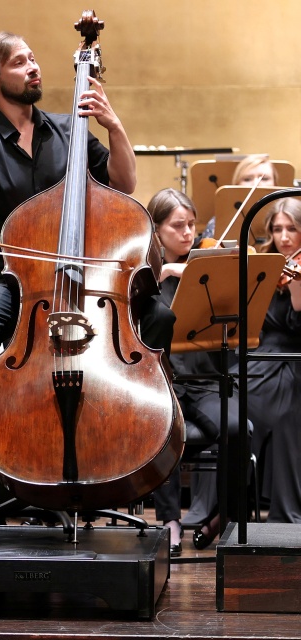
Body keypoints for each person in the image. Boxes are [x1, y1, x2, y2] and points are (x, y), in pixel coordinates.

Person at [0, 31, 173, 436]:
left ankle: (131, 420)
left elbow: (123, 183)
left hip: (83, 274)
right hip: (10, 279)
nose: (33, 67)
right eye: (18, 62)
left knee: (159, 316)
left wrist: (113, 125)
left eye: (32, 58)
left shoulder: (70, 131)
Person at [146, 188, 249, 555]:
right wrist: (164, 272)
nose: (188, 232)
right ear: (156, 230)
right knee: (164, 430)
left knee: (240, 429)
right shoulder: (144, 277)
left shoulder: (205, 272)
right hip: (163, 383)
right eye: (178, 226)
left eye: (191, 223)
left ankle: (220, 518)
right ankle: (170, 522)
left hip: (205, 382)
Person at [239, 197, 301, 523]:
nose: (284, 237)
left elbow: (297, 318)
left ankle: (274, 508)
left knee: (285, 408)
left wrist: (297, 284)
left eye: (292, 228)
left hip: (295, 355)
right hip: (261, 353)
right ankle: (230, 503)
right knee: (234, 401)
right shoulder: (264, 262)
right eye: (277, 229)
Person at [203, 154, 280, 239]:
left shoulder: (287, 216)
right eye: (247, 179)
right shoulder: (219, 222)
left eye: (264, 179)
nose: (256, 183)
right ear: (237, 184)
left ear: (275, 184)